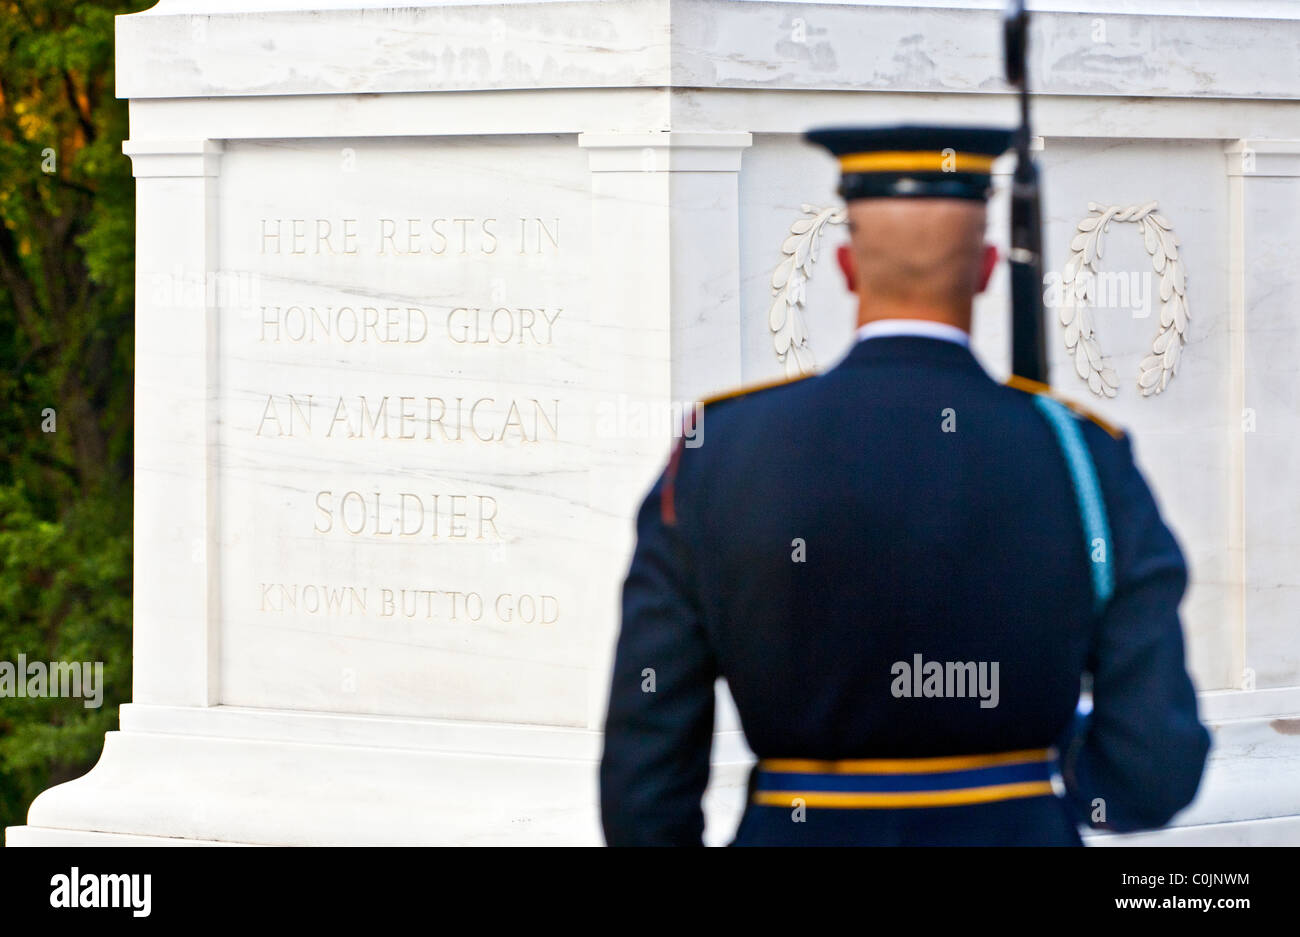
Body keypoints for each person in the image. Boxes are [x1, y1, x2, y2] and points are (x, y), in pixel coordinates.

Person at [598, 125, 1211, 846]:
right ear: (985, 269)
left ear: (847, 265)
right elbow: (1154, 764)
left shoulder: (721, 449)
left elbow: (646, 762)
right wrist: (1064, 791)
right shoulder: (1081, 455)